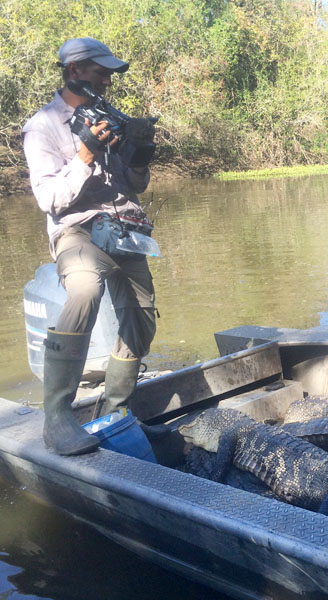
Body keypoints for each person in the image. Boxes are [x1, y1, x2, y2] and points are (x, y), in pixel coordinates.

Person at [22, 38, 158, 456]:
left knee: (142, 319)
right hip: (77, 231)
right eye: (101, 72)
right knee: (83, 290)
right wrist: (85, 154)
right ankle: (57, 418)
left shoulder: (107, 117)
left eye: (110, 73)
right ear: (75, 70)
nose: (108, 79)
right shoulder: (41, 126)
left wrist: (138, 156)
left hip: (124, 229)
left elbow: (134, 186)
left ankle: (118, 411)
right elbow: (49, 200)